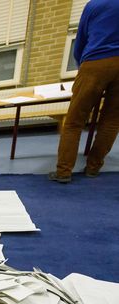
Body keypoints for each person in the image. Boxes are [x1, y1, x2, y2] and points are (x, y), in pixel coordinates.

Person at [49, 0, 119, 183]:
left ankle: (63, 171)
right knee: (111, 121)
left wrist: (83, 66)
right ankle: (93, 168)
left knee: (74, 121)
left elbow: (80, 40)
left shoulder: (95, 5)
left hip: (95, 62)